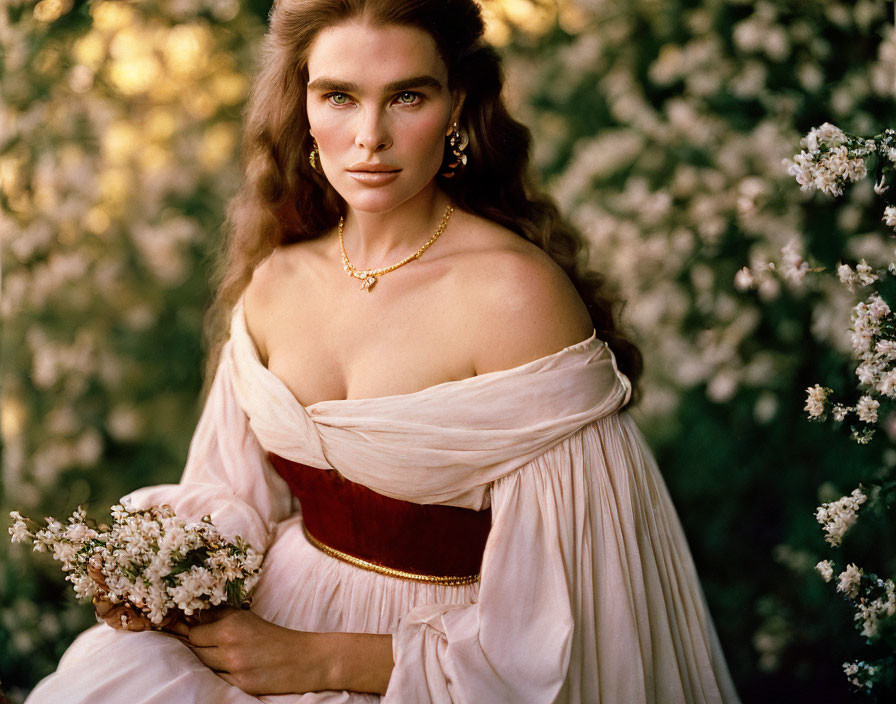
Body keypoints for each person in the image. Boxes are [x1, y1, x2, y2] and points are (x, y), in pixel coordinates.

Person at [26, 0, 741, 702]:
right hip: (258, 630)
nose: (370, 136)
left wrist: (317, 659)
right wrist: (171, 567)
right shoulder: (277, 279)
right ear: (302, 106)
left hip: (432, 670)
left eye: (406, 96)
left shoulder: (515, 299)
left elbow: (576, 623)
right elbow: (232, 490)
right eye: (338, 96)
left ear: (457, 106)